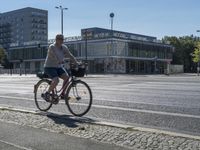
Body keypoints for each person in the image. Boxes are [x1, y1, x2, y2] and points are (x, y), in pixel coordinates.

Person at [43, 34, 79, 102]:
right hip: (49, 67)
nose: (62, 41)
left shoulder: (64, 47)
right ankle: (47, 93)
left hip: (58, 67)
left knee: (67, 77)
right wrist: (58, 61)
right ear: (56, 39)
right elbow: (52, 56)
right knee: (56, 80)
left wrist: (76, 62)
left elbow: (70, 55)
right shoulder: (52, 47)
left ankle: (63, 94)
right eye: (60, 39)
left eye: (63, 39)